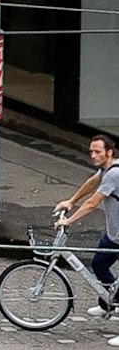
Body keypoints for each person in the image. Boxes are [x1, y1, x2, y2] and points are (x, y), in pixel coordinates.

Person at [55, 133, 119, 327]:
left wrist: (70, 220)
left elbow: (92, 203)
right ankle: (107, 302)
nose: (93, 155)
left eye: (97, 151)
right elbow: (92, 182)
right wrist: (71, 201)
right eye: (91, 151)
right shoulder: (106, 169)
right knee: (99, 265)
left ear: (109, 152)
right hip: (114, 235)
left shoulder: (114, 174)